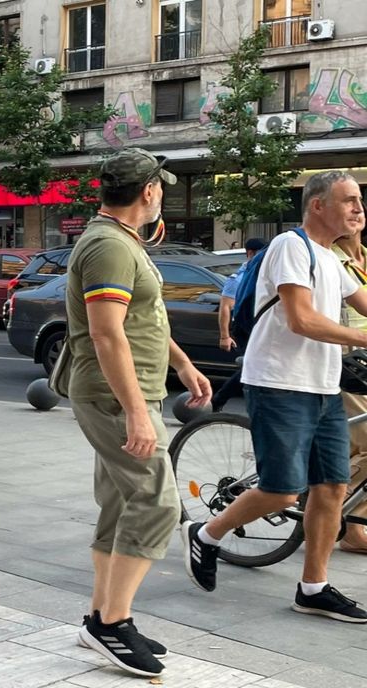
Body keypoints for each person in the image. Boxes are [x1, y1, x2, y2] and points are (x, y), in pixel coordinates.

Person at [184, 170, 367, 623]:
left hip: (324, 386)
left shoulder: (331, 257)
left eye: (360, 199)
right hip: (280, 383)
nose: (358, 208)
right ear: (318, 205)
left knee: (330, 489)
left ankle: (313, 587)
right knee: (283, 492)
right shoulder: (292, 245)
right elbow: (301, 319)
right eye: (348, 200)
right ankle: (206, 534)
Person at [66, 148, 211, 678]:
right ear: (148, 192)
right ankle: (114, 625)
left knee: (121, 504)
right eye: (161, 188)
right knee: (156, 503)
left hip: (124, 391)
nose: (162, 196)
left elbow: (139, 320)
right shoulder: (109, 246)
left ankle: (100, 617)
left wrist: (183, 364)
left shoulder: (119, 241)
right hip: (112, 396)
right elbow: (106, 334)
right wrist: (137, 414)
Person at [329, 216, 367, 553]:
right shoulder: (329, 259)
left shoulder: (365, 258)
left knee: (355, 447)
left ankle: (338, 522)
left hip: (365, 364)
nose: (353, 217)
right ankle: (343, 519)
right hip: (343, 364)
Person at [212, 237, 267, 412]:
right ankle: (219, 399)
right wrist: (224, 336)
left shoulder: (262, 273)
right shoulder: (238, 278)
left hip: (259, 326)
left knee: (260, 366)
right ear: (250, 253)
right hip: (244, 328)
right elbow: (226, 307)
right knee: (253, 367)